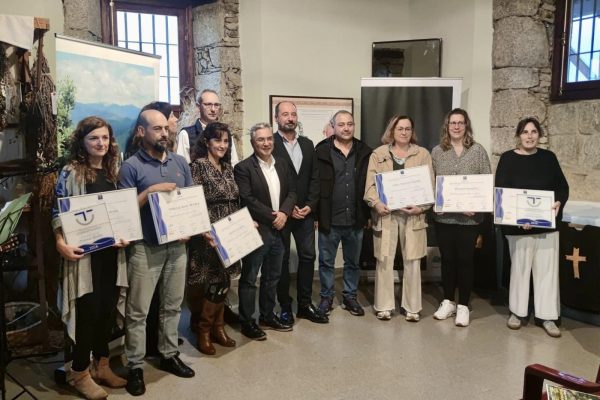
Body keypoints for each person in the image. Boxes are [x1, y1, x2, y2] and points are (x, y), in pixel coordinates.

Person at [119, 109, 195, 396]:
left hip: (177, 246)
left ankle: (168, 353)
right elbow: (124, 213)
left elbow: (188, 200)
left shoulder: (180, 162)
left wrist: (189, 226)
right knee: (138, 312)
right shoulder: (131, 167)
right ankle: (135, 366)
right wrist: (151, 191)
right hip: (144, 248)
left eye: (166, 128)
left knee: (173, 305)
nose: (164, 133)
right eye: (157, 129)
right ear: (142, 132)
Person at [51, 116, 128, 399]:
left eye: (105, 138)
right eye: (94, 138)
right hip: (83, 257)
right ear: (82, 142)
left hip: (111, 254)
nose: (101, 143)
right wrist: (60, 243)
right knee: (88, 312)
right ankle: (79, 372)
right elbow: (58, 213)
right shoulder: (71, 172)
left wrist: (124, 233)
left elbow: (119, 212)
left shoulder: (113, 171)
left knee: (107, 309)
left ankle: (102, 366)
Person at [495, 117, 569, 338]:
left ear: (539, 135)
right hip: (518, 229)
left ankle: (547, 316)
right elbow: (502, 193)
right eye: (525, 132)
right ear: (518, 135)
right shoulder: (507, 159)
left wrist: (557, 202)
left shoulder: (549, 158)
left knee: (547, 273)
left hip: (546, 228)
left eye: (533, 132)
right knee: (519, 271)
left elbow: (562, 187)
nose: (529, 136)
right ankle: (517, 312)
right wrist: (519, 219)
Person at [364, 115, 433, 322]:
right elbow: (369, 186)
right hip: (387, 215)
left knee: (412, 260)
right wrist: (376, 203)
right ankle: (383, 306)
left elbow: (430, 187)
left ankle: (412, 307)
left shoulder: (422, 154)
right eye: (400, 128)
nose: (404, 132)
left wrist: (420, 207)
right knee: (384, 259)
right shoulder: (379, 154)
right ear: (391, 131)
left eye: (408, 129)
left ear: (412, 132)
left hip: (413, 216)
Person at [234, 122, 297, 340]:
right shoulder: (243, 168)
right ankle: (247, 321)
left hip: (280, 230)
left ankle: (268, 315)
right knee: (250, 277)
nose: (266, 143)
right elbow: (248, 199)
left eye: (269, 138)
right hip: (258, 230)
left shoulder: (281, 164)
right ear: (253, 142)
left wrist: (285, 213)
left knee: (273, 276)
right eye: (261, 139)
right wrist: (275, 216)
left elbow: (292, 191)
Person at [431, 108, 491, 327]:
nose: (456, 127)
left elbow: (486, 183)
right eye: (452, 123)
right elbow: (432, 182)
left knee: (465, 261)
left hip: (469, 220)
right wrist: (436, 203)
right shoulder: (437, 151)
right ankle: (448, 301)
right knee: (448, 261)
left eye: (460, 123)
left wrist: (476, 206)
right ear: (446, 126)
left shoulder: (477, 151)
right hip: (445, 219)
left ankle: (464, 305)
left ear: (467, 126)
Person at [273, 101, 328, 325]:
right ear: (276, 118)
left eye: (293, 114)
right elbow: (269, 181)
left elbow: (315, 178)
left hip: (305, 213)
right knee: (282, 259)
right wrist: (287, 208)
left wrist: (311, 205)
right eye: (285, 114)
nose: (290, 118)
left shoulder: (307, 144)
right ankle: (285, 306)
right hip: (282, 214)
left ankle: (304, 305)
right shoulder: (270, 143)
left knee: (308, 257)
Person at [187, 122, 239, 354]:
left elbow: (234, 199)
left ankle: (218, 327)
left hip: (230, 230)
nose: (222, 145)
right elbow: (193, 203)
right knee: (212, 282)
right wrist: (203, 229)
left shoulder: (227, 167)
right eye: (218, 140)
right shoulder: (197, 166)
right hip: (208, 234)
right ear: (206, 142)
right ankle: (204, 331)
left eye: (226, 141)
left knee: (225, 281)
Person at [315, 110, 372, 317]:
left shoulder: (365, 151)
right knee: (326, 262)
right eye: (341, 125)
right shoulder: (321, 151)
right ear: (333, 126)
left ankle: (350, 297)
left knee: (352, 263)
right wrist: (315, 216)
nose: (346, 128)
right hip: (329, 218)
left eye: (350, 124)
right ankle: (327, 297)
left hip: (355, 219)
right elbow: (315, 185)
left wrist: (367, 215)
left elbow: (371, 185)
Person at [177, 89, 239, 165]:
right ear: (198, 107)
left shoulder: (226, 133)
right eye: (208, 104)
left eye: (216, 105)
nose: (213, 109)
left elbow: (234, 164)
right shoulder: (186, 134)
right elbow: (183, 167)